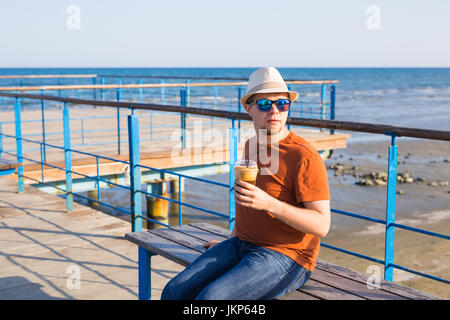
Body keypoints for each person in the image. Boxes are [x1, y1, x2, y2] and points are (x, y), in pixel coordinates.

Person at [161, 67, 330, 300]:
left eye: (282, 103)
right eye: (264, 104)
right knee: (174, 291)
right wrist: (230, 243)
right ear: (248, 108)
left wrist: (270, 204)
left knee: (212, 299)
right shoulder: (252, 145)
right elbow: (246, 206)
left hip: (288, 256)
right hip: (242, 244)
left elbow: (322, 225)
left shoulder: (303, 155)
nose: (274, 110)